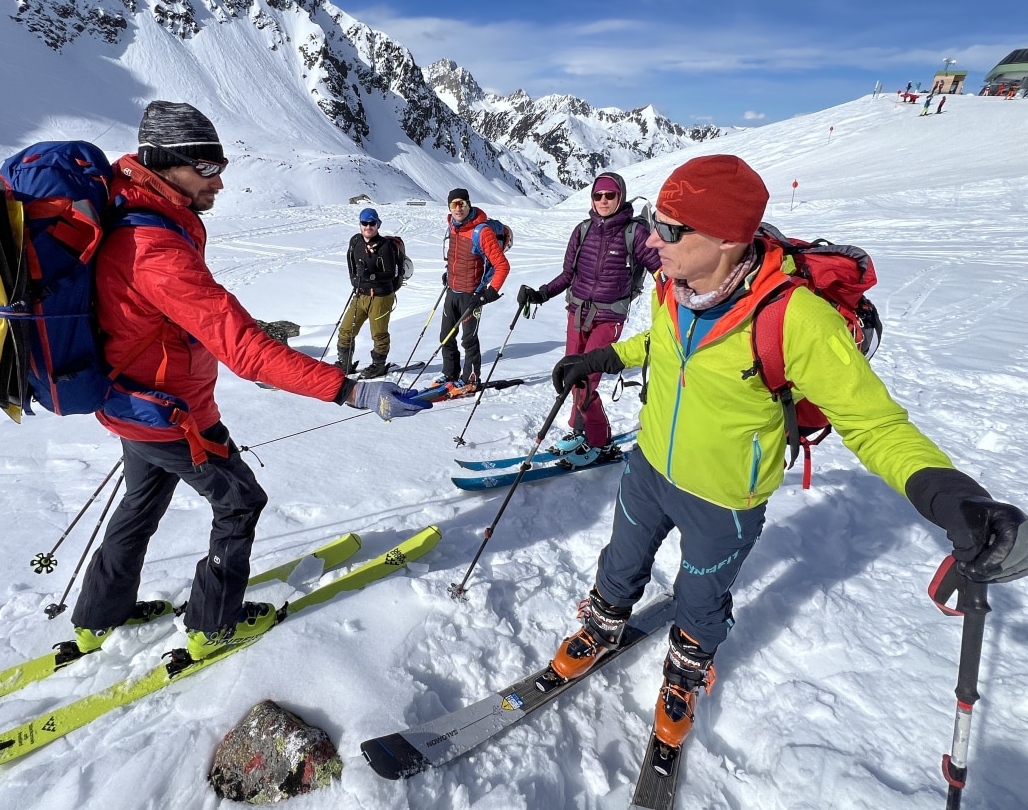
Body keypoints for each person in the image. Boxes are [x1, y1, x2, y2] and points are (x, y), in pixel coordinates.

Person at [547, 154, 1028, 763]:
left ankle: (688, 670)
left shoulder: (796, 318)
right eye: (651, 220)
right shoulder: (673, 284)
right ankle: (603, 622)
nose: (650, 238)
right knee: (620, 560)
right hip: (648, 469)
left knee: (700, 598)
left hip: (724, 499)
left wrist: (947, 492)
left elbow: (873, 421)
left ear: (725, 240)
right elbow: (663, 342)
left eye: (668, 229)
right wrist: (606, 359)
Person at [70, 101, 428, 663]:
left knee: (139, 505)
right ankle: (213, 625)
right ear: (167, 166)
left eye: (222, 164)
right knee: (239, 502)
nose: (221, 179)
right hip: (172, 416)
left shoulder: (138, 222)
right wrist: (354, 389)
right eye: (207, 168)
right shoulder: (156, 249)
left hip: (131, 405)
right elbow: (246, 350)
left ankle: (99, 618)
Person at [517, 173, 660, 464]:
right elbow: (568, 275)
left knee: (585, 379)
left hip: (609, 317)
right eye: (598, 196)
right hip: (577, 313)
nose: (604, 201)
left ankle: (601, 442)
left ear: (620, 196)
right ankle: (580, 432)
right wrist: (540, 294)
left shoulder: (635, 233)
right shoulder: (582, 231)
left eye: (610, 195)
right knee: (570, 375)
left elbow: (661, 270)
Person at [437, 188, 510, 387]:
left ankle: (470, 378)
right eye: (454, 204)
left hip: (472, 294)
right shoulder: (452, 226)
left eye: (462, 203)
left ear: (469, 204)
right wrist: (449, 274)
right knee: (446, 336)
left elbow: (502, 265)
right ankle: (450, 373)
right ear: (449, 207)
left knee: (468, 339)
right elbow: (458, 256)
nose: (458, 208)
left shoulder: (482, 231)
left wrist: (490, 293)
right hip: (452, 290)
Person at [336, 207, 400, 378]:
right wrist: (354, 279)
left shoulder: (385, 247)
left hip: (381, 296)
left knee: (378, 333)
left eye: (371, 223)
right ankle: (344, 363)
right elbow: (350, 262)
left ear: (377, 225)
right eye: (364, 223)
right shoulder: (356, 241)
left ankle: (378, 365)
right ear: (360, 224)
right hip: (361, 294)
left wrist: (370, 275)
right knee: (345, 330)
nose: (368, 227)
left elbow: (390, 274)